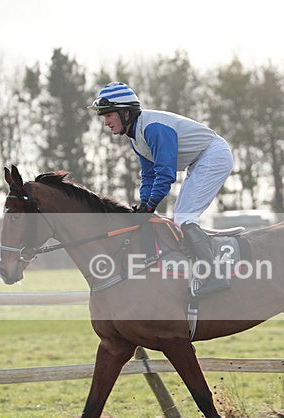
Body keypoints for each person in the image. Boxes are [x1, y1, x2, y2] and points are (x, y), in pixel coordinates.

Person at [88, 81, 234, 295]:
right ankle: (196, 268)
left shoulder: (154, 128)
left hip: (213, 155)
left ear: (126, 112)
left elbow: (165, 174)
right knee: (179, 217)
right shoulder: (135, 137)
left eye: (109, 115)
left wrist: (151, 206)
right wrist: (144, 204)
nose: (106, 122)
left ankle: (215, 276)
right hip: (200, 160)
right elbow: (148, 175)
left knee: (184, 218)